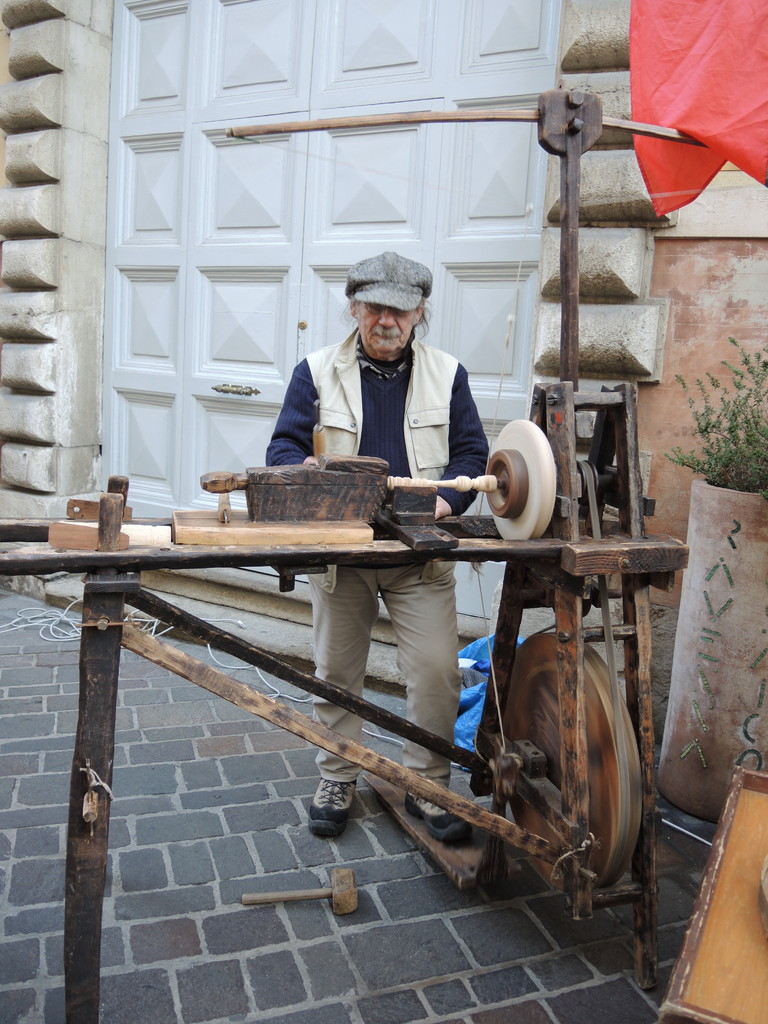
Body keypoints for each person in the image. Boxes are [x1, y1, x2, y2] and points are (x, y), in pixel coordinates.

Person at [266, 251, 488, 843]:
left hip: (418, 558)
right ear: (354, 308)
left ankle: (429, 782)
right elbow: (282, 450)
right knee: (337, 670)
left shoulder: (448, 373)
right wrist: (309, 472)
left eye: (401, 309)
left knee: (437, 673)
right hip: (345, 554)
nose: (387, 320)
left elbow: (472, 457)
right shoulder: (315, 371)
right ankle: (338, 775)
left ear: (421, 313)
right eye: (375, 307)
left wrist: (442, 504)